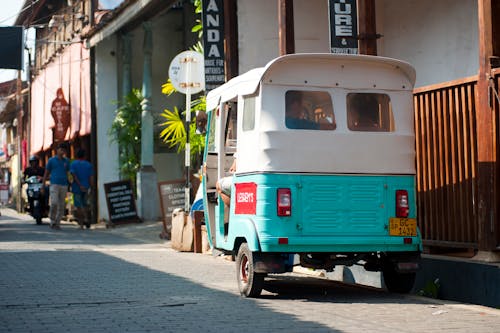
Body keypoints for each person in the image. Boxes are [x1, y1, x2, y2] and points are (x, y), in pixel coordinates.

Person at [41, 143, 70, 230]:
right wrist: (43, 185)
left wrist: (70, 182)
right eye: (61, 149)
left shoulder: (66, 161)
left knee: (62, 205)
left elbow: (69, 172)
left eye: (64, 150)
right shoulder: (51, 160)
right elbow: (46, 173)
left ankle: (57, 222)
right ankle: (52, 220)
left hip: (64, 184)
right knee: (54, 203)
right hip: (54, 184)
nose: (62, 151)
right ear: (57, 150)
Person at [70, 149, 94, 229]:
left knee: (78, 206)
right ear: (84, 156)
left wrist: (79, 185)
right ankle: (86, 218)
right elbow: (91, 177)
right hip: (86, 187)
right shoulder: (88, 165)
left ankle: (81, 224)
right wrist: (91, 186)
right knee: (85, 204)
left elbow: (73, 175)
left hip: (77, 187)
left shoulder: (73, 164)